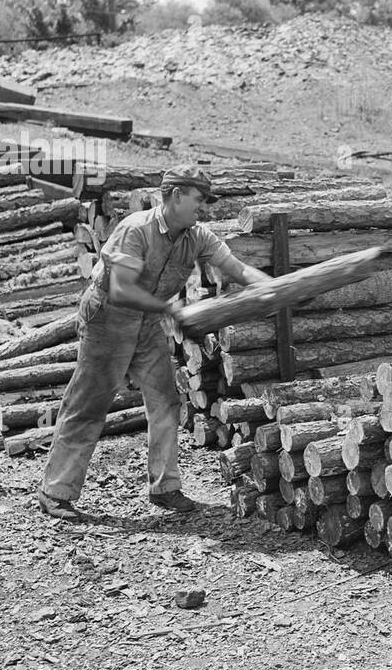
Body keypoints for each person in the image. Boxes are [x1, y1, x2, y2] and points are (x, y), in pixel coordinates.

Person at [37, 166, 272, 521]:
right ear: (176, 195)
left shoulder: (197, 235)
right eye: (199, 199)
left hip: (146, 323)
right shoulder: (137, 229)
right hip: (107, 319)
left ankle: (165, 487)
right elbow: (122, 288)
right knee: (88, 404)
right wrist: (169, 309)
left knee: (165, 401)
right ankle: (56, 492)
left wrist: (277, 288)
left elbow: (237, 269)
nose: (204, 207)